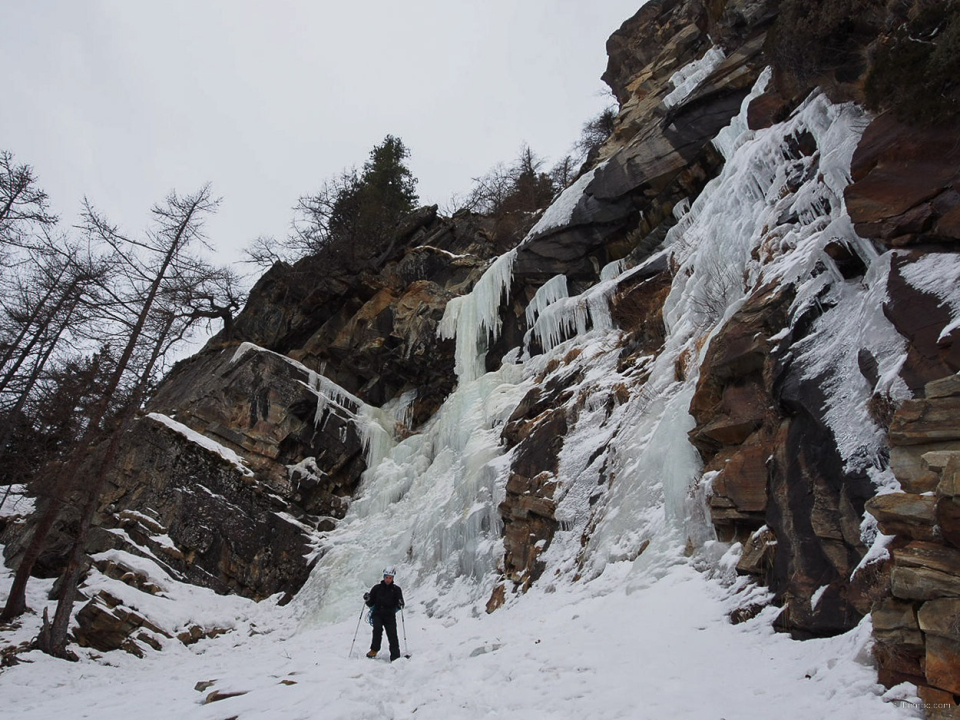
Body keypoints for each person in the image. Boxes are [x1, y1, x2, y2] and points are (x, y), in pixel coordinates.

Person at [364, 568, 405, 661]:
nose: (388, 580)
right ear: (384, 577)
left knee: (392, 634)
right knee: (377, 629)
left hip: (390, 615)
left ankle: (395, 655)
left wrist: (400, 603)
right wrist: (367, 598)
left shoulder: (396, 590)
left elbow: (400, 604)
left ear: (393, 578)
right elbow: (370, 603)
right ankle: (374, 650)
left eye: (390, 578)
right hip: (377, 613)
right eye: (387, 577)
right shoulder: (376, 588)